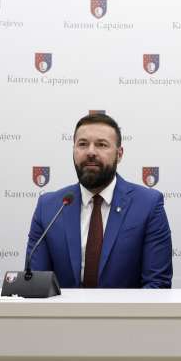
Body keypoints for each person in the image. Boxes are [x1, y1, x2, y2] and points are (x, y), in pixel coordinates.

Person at [26, 113, 172, 288]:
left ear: (119, 154)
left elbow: (157, 285)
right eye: (82, 144)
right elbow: (35, 284)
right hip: (64, 307)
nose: (91, 152)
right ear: (73, 151)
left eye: (101, 144)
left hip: (127, 307)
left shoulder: (148, 204)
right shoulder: (49, 207)